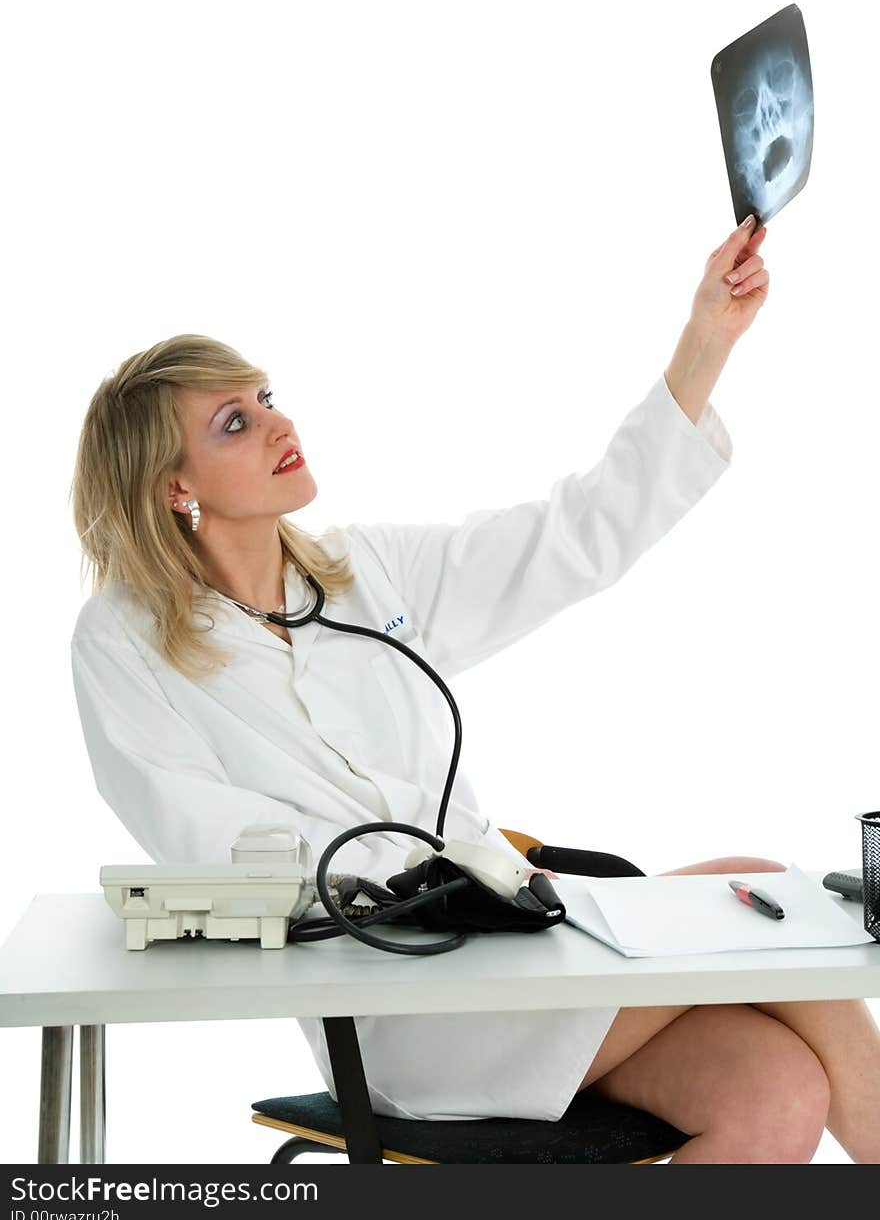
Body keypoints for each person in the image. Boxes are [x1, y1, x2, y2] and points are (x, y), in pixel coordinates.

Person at [68, 215, 880, 1163]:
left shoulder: (363, 573)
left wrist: (708, 337)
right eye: (235, 422)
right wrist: (410, 890)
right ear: (175, 489)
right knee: (760, 899)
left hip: (516, 935)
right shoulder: (125, 643)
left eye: (266, 396)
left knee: (776, 1090)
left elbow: (573, 536)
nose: (280, 421)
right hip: (392, 999)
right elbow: (202, 841)